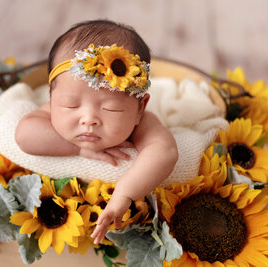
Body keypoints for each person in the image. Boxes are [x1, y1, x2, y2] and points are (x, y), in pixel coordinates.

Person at [15, 19, 178, 245]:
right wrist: (78, 148)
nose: (89, 120)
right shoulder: (52, 111)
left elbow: (165, 151)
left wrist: (124, 194)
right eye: (71, 105)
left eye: (111, 108)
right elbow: (24, 135)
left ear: (140, 108)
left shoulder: (143, 123)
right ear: (51, 98)